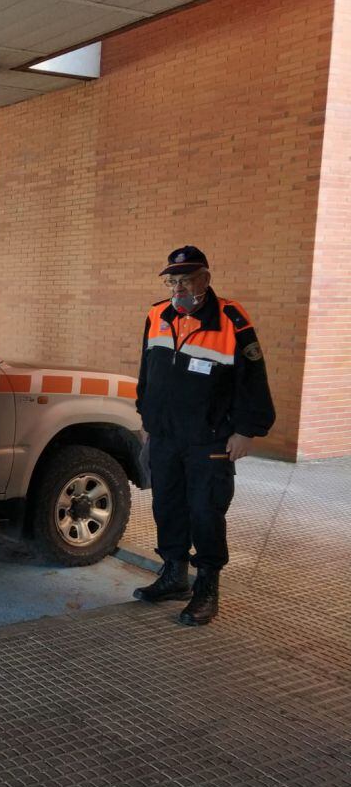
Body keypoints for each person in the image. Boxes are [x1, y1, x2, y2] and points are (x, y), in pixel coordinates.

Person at [133, 245, 275, 625]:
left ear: (205, 280)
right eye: (173, 280)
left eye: (187, 280)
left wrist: (247, 430)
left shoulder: (231, 318)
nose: (179, 288)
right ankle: (174, 575)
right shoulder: (156, 314)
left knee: (205, 512)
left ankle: (207, 586)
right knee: (167, 507)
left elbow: (253, 378)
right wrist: (146, 417)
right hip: (164, 434)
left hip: (208, 438)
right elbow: (147, 371)